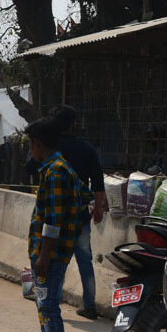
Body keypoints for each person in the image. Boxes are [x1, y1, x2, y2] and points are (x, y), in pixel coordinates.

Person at [24, 105, 106, 320]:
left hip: (56, 220)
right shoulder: (85, 148)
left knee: (56, 261)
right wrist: (98, 207)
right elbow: (98, 182)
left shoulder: (50, 153)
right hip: (79, 218)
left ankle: (54, 299)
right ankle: (89, 304)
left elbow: (29, 167)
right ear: (73, 124)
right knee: (84, 261)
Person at [26, 116, 88, 332]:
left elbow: (52, 220)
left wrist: (44, 255)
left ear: (38, 144)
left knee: (48, 306)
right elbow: (85, 200)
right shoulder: (63, 169)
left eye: (30, 145)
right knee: (45, 304)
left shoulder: (54, 173)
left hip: (50, 255)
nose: (30, 150)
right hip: (57, 252)